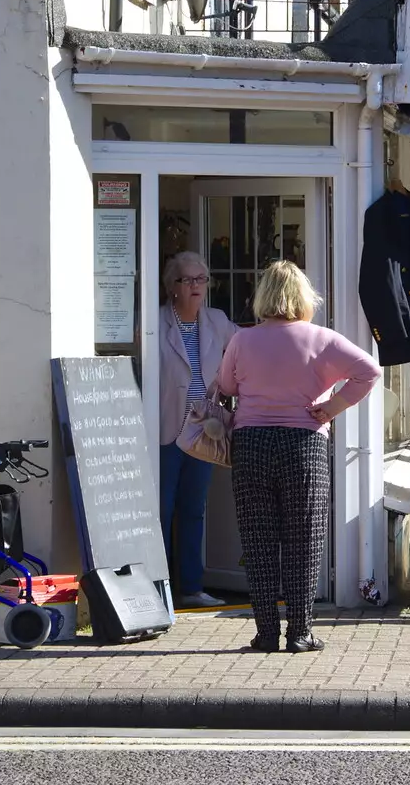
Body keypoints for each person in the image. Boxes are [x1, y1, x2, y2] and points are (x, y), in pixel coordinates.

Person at [213, 260, 381, 654]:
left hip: (251, 443)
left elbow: (224, 384)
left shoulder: (242, 340)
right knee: (304, 540)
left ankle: (266, 632)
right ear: (304, 298)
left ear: (263, 298)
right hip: (303, 444)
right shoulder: (321, 339)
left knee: (259, 541)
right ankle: (300, 632)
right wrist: (331, 407)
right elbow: (369, 371)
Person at [158, 251, 239, 609]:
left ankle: (190, 587)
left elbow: (245, 350)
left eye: (200, 279)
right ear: (172, 286)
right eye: (186, 280)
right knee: (160, 510)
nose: (195, 286)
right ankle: (156, 588)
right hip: (164, 426)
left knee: (193, 508)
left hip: (203, 429)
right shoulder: (154, 321)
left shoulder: (217, 321)